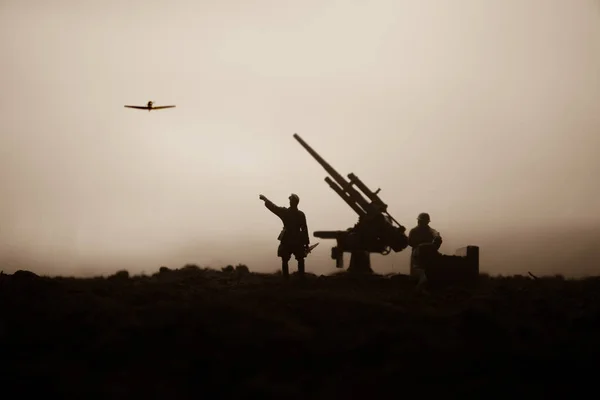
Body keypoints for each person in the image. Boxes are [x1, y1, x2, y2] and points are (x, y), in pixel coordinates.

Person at [259, 193, 310, 278]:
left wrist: (265, 199)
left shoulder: (285, 212)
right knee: (300, 259)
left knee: (285, 260)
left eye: (290, 200)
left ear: (291, 202)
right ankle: (301, 279)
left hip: (287, 239)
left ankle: (286, 280)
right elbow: (305, 229)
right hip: (298, 240)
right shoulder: (301, 214)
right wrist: (306, 243)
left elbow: (273, 207)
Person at [408, 213, 442, 287]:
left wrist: (437, 239)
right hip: (417, 256)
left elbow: (436, 237)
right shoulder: (414, 231)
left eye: (421, 221)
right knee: (416, 275)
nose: (419, 223)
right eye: (419, 221)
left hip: (428, 257)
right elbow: (410, 242)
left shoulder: (431, 231)